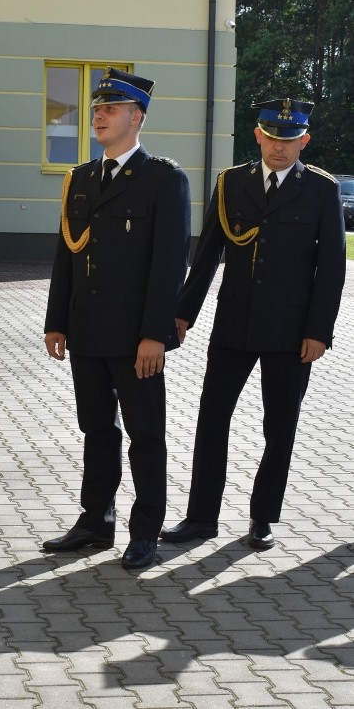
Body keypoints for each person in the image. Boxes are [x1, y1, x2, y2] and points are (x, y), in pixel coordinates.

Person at [161, 98, 346, 550]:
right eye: (271, 138)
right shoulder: (230, 184)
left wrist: (319, 331)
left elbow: (332, 268)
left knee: (279, 424)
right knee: (212, 420)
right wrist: (182, 315)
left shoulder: (321, 190)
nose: (279, 148)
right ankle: (201, 517)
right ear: (257, 135)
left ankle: (263, 517)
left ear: (304, 140)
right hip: (234, 323)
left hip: (291, 330)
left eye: (289, 140)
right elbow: (205, 257)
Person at [42, 68, 190, 570]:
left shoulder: (162, 179)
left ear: (137, 117)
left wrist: (156, 335)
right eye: (96, 109)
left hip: (135, 339)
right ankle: (94, 521)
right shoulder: (82, 178)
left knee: (145, 434)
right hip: (87, 331)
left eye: (110, 109)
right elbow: (67, 253)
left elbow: (170, 263)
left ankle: (145, 529)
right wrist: (56, 319)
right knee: (97, 430)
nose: (98, 116)